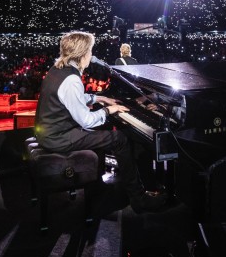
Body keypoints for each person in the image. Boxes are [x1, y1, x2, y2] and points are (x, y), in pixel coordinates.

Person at [35, 31, 166, 213]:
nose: (91, 55)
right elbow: (87, 121)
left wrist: (99, 99)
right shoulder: (72, 79)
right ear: (83, 53)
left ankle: (97, 183)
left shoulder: (58, 70)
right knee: (119, 138)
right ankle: (139, 198)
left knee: (105, 128)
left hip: (50, 132)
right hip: (59, 137)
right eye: (90, 50)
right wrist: (108, 110)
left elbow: (74, 98)